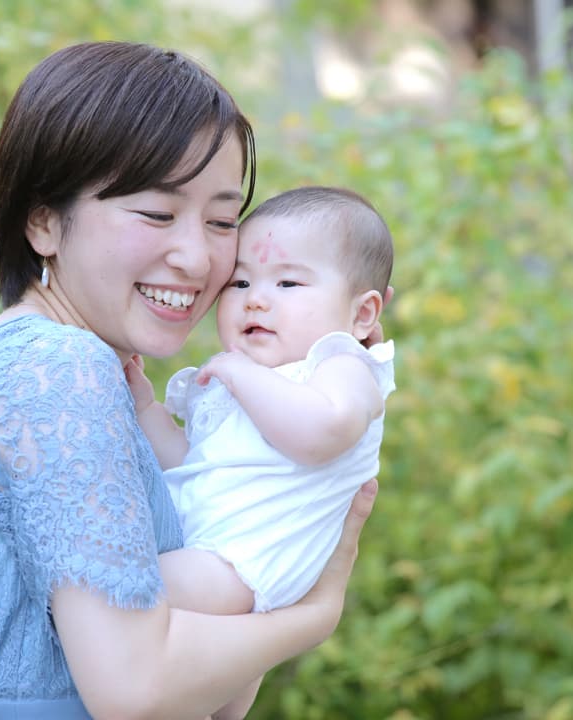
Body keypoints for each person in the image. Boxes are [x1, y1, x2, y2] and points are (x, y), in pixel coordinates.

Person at [0, 42, 378, 720]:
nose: (195, 256)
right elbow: (136, 689)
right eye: (157, 212)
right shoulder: (60, 372)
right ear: (42, 220)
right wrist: (313, 614)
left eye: (220, 220)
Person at [126, 186, 396, 619]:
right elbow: (194, 467)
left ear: (362, 315)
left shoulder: (342, 365)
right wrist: (143, 411)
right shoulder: (249, 384)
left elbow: (326, 429)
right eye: (240, 282)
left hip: (241, 569)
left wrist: (242, 375)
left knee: (104, 583)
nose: (255, 298)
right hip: (204, 553)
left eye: (288, 282)